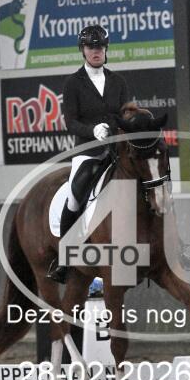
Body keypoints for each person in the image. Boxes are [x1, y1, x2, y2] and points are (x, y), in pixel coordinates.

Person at [48, 25, 129, 284]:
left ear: (106, 49)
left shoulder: (118, 82)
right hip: (88, 151)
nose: (96, 51)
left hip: (117, 150)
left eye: (100, 47)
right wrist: (93, 130)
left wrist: (117, 130)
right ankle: (64, 258)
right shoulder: (73, 83)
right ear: (83, 50)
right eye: (91, 47)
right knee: (76, 194)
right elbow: (70, 121)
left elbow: (126, 114)